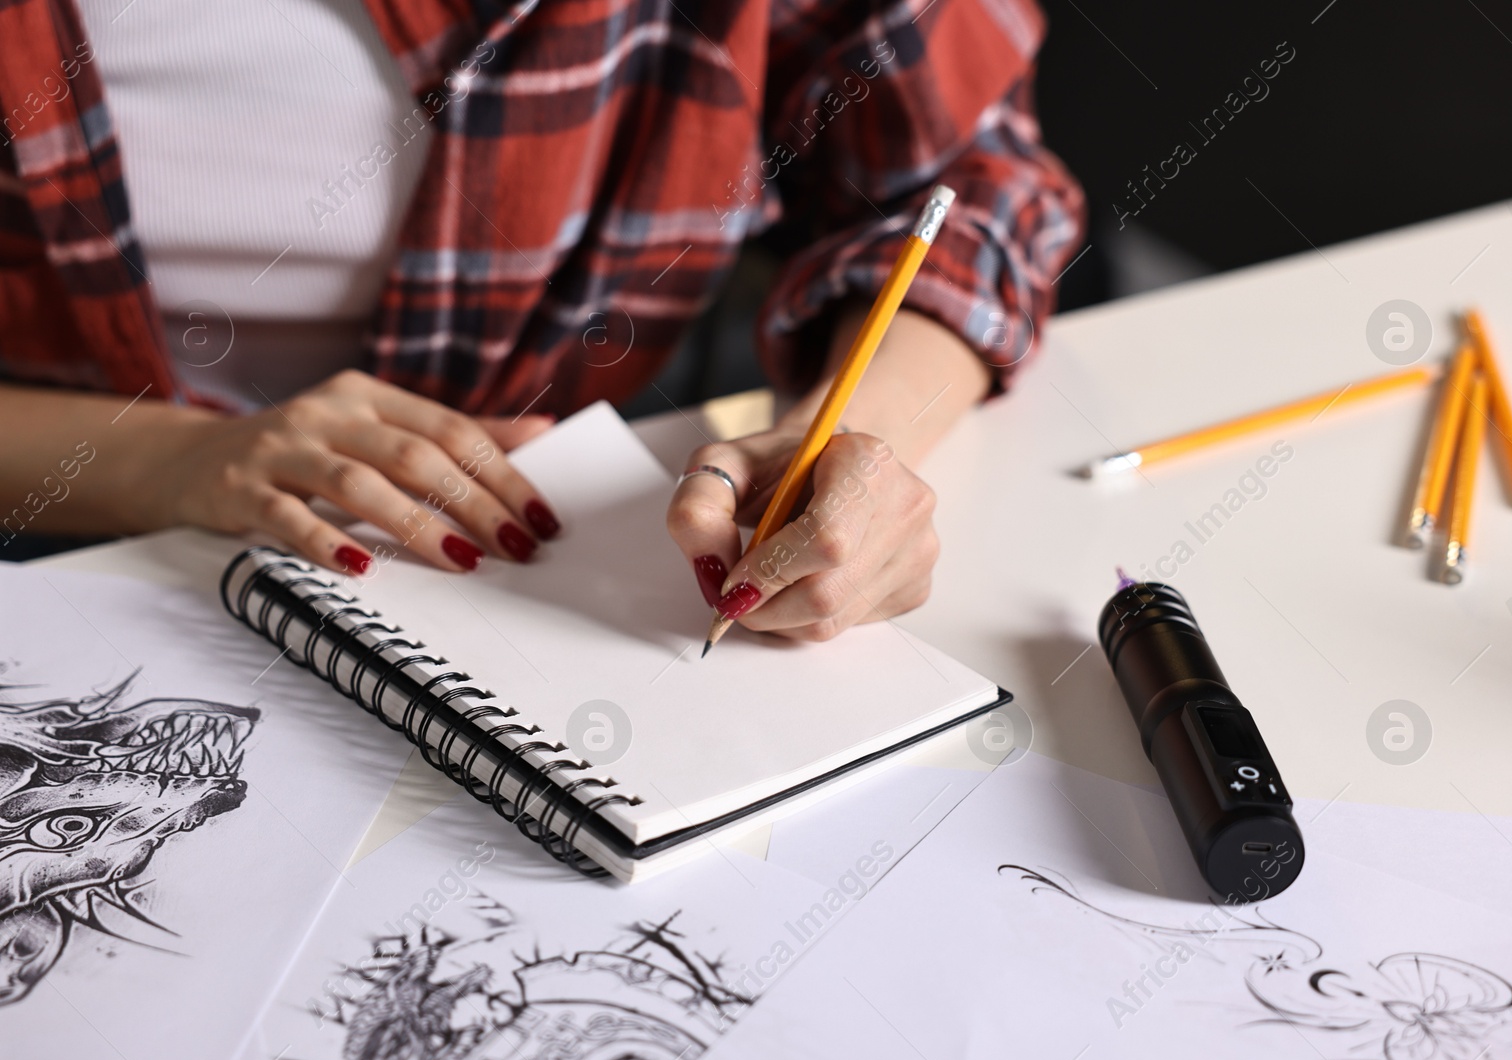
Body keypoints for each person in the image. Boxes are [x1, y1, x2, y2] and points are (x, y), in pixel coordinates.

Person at [0, 0, 1081, 641]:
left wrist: (856, 437)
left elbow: (973, 182)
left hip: (550, 554)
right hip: (72, 552)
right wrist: (175, 460)